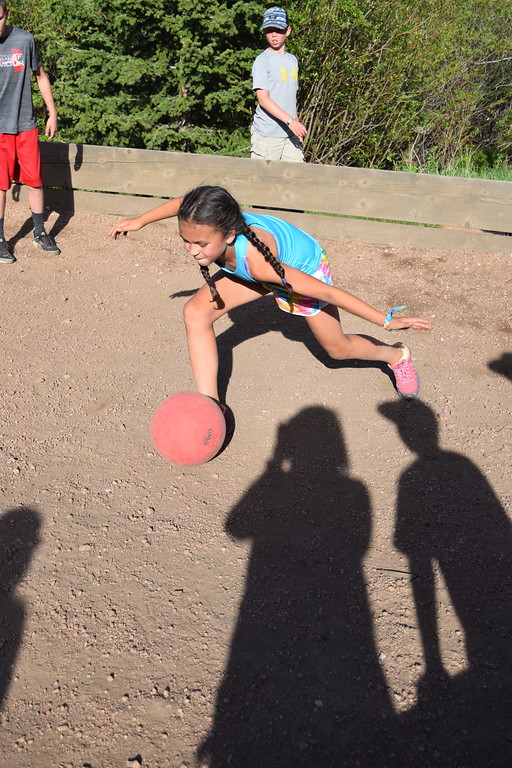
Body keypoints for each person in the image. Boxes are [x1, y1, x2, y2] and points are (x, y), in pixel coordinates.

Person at [108, 186, 431, 403]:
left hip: (297, 268)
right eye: (185, 240)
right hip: (256, 262)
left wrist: (387, 321)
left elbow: (326, 291)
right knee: (196, 312)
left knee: (338, 350)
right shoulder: (209, 221)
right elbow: (184, 203)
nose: (192, 251)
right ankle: (210, 408)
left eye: (201, 244)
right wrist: (140, 221)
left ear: (229, 234)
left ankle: (396, 356)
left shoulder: (261, 265)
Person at [0, 1, 60, 264]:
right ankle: (1, 239)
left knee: (34, 181)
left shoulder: (24, 40)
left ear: (7, 14)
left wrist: (52, 112)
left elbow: (41, 75)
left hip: (26, 124)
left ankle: (39, 232)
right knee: (0, 186)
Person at [250, 6, 307, 163]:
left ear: (287, 31)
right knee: (263, 182)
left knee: (297, 179)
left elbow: (290, 97)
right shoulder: (262, 60)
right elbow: (263, 100)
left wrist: (295, 125)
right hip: (267, 136)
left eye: (279, 30)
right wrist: (291, 122)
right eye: (269, 30)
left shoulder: (293, 60)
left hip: (289, 135)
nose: (274, 34)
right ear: (264, 32)